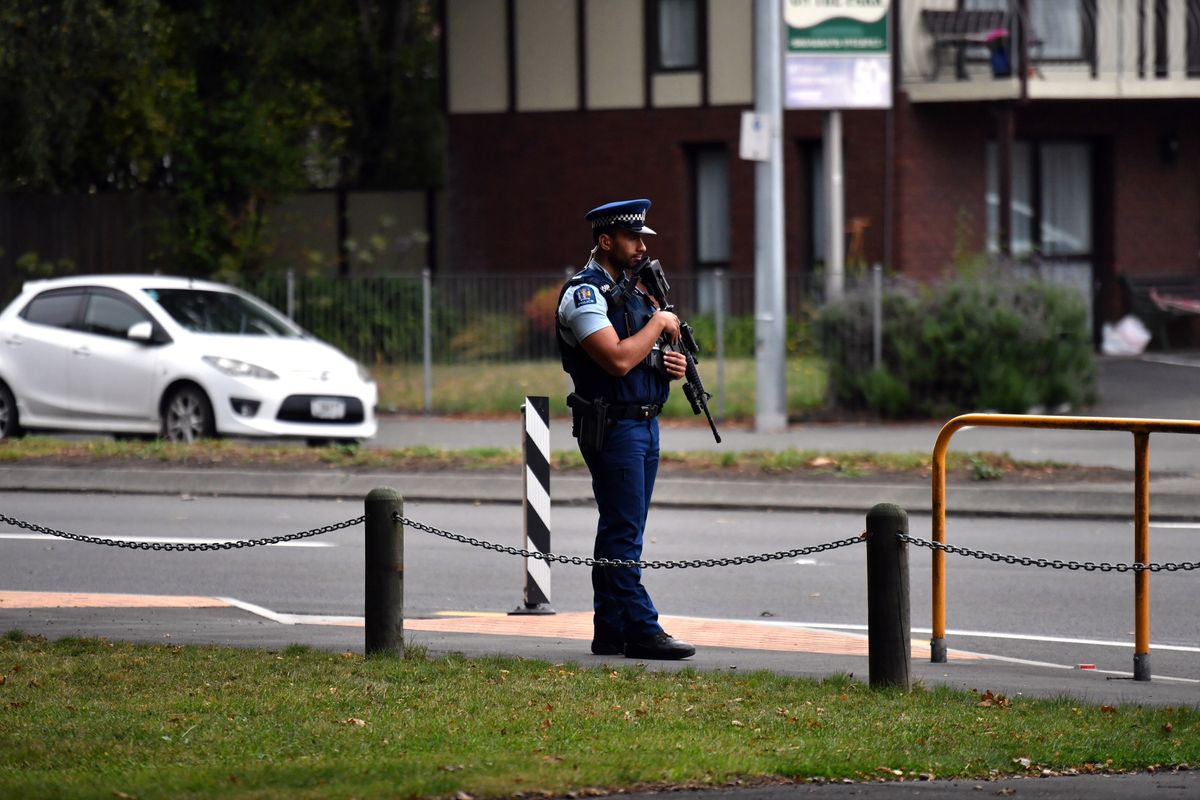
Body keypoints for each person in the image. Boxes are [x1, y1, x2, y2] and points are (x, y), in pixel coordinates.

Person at [555, 198, 696, 660]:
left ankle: (610, 629)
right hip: (613, 427)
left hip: (644, 423)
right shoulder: (585, 294)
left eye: (642, 238)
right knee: (622, 530)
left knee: (623, 529)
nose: (641, 246)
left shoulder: (635, 292)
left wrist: (667, 365)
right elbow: (615, 359)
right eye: (633, 238)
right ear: (605, 240)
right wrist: (658, 325)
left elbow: (638, 357)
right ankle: (641, 628)